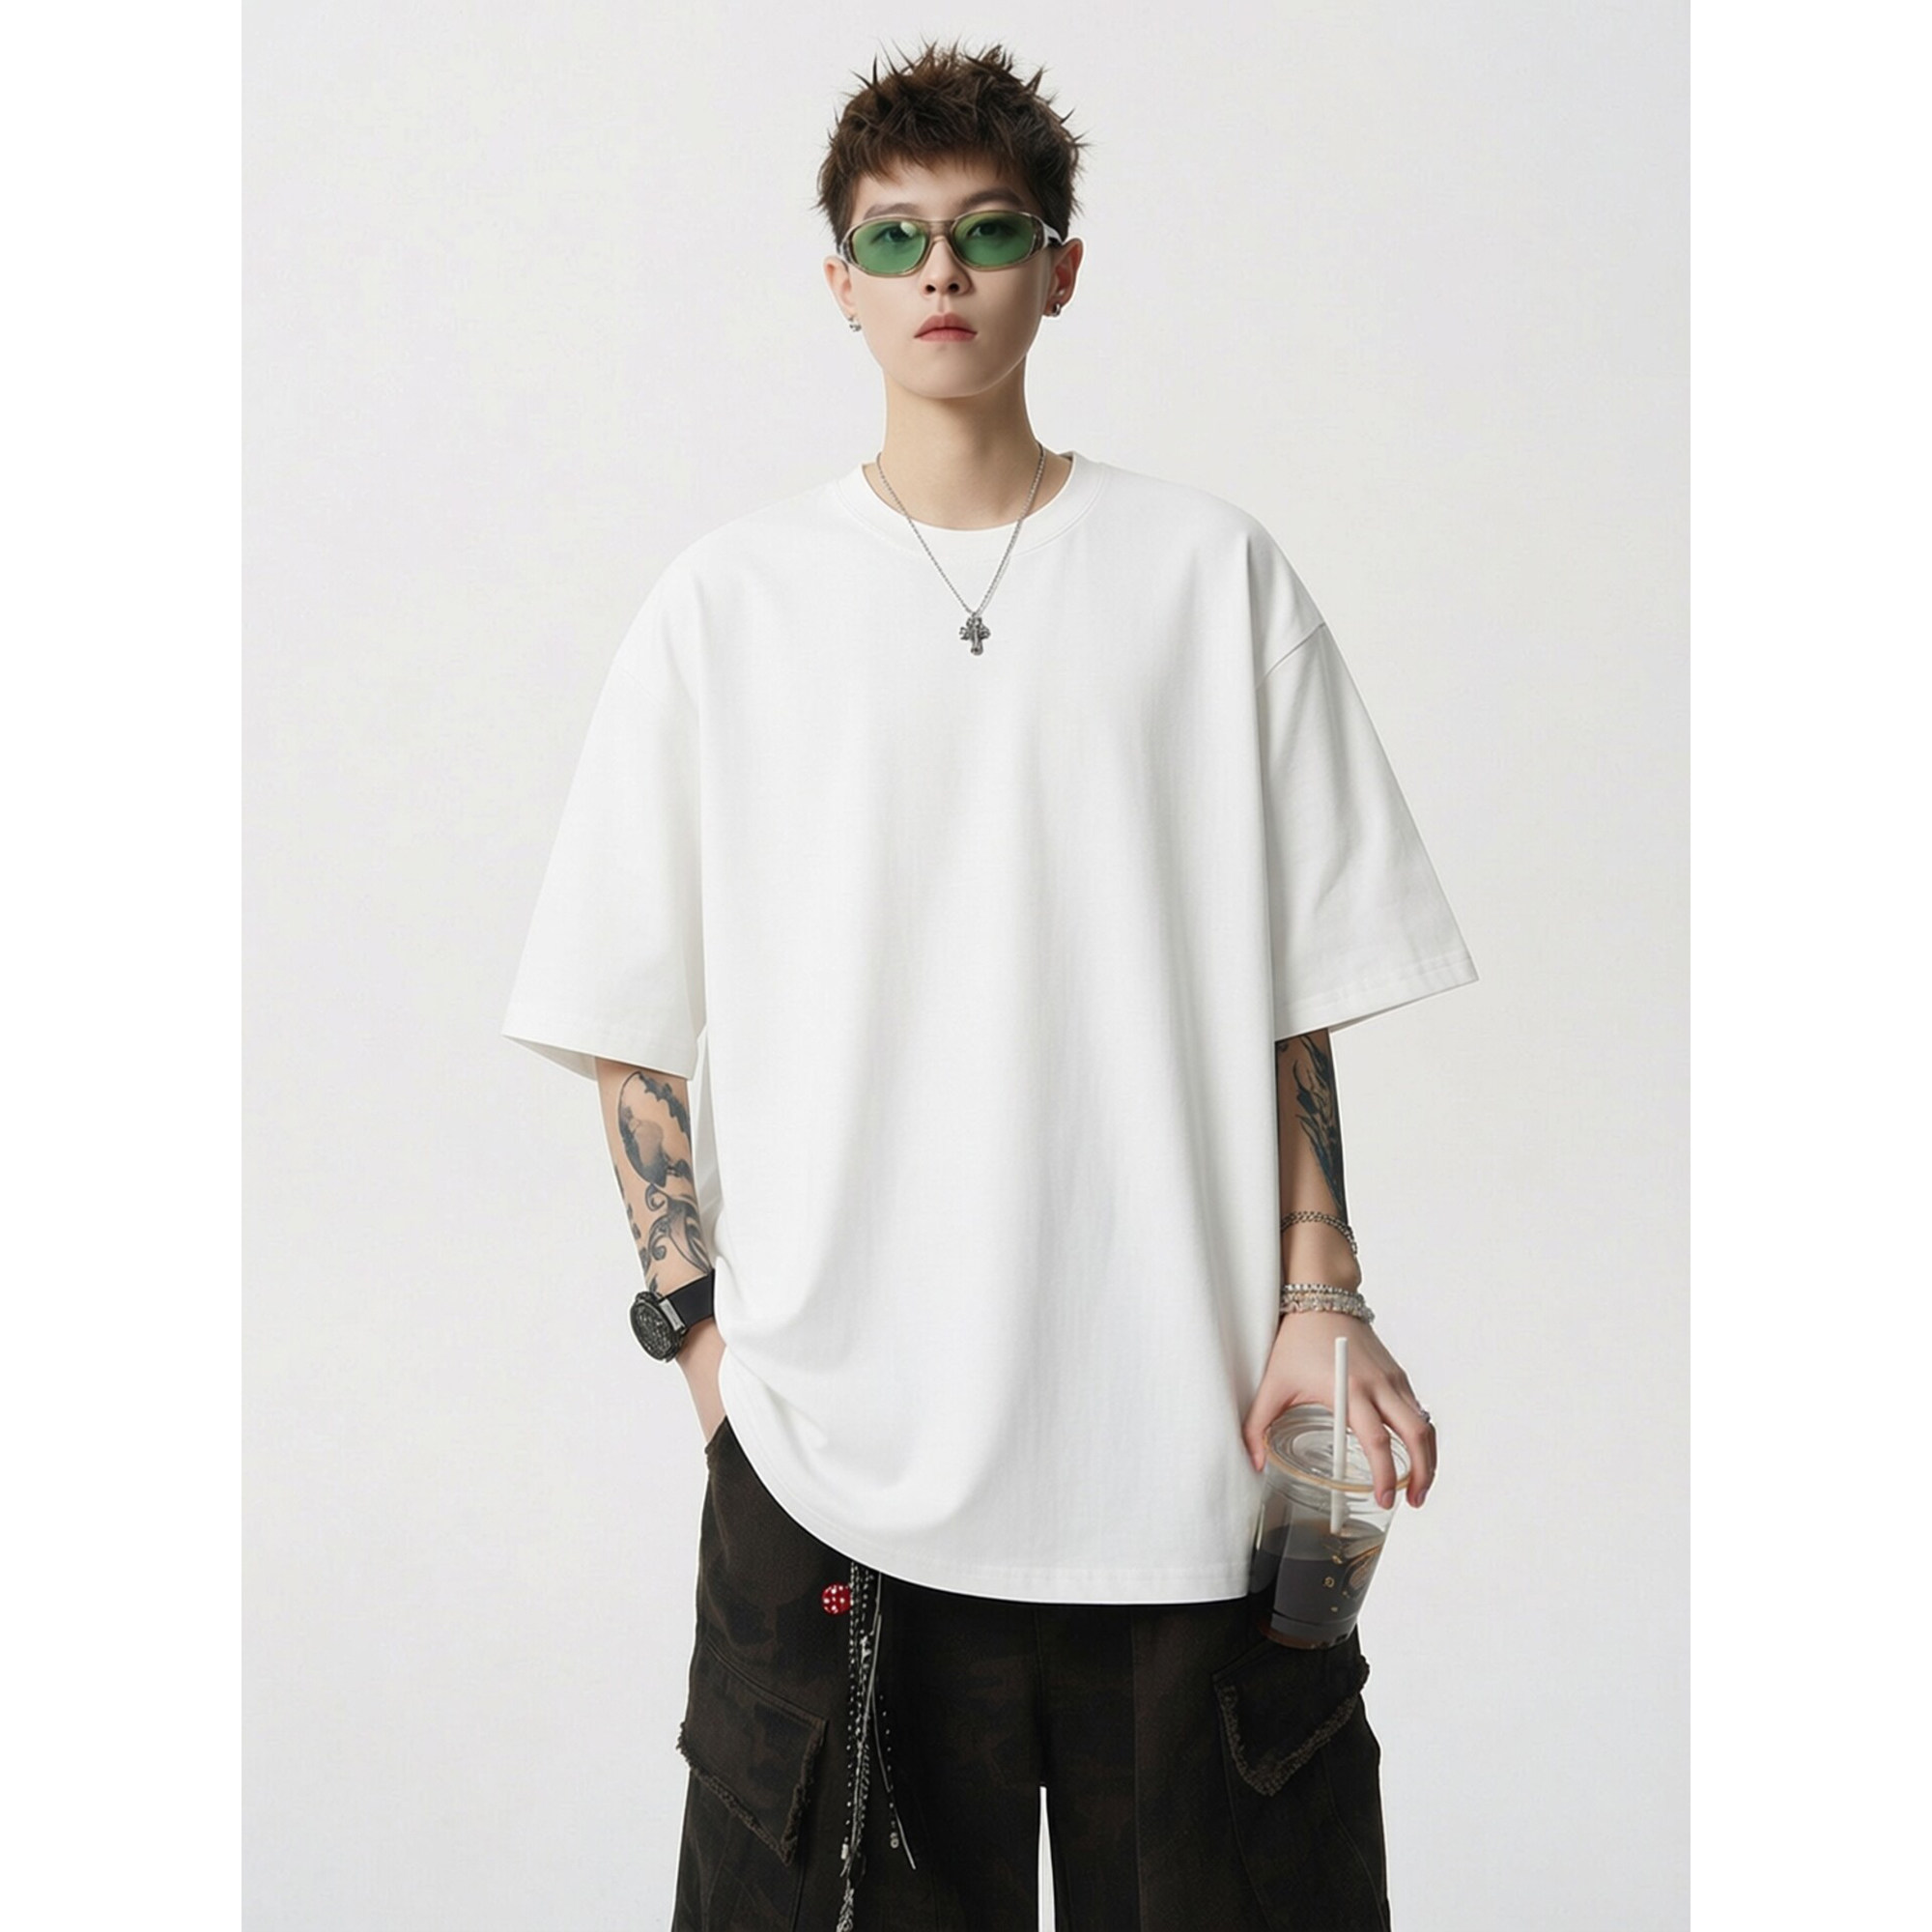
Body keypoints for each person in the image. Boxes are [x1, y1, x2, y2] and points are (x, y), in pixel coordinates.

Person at [502, 36, 1476, 1931]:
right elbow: (627, 1023)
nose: (940, 269)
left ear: (1061, 267)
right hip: (830, 1468)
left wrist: (1323, 1297)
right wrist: (707, 1349)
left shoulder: (1210, 578)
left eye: (988, 229)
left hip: (1192, 1448)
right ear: (841, 283)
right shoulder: (728, 605)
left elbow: (1293, 990)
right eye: (895, 236)